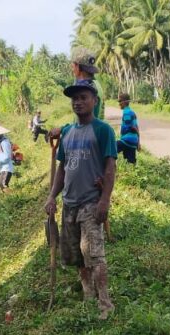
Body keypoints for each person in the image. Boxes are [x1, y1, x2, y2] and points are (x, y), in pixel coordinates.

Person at [45, 80, 118, 320]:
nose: (78, 102)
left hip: (90, 203)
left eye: (83, 97)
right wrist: (52, 196)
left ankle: (105, 303)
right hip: (70, 203)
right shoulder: (68, 132)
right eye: (74, 98)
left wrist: (104, 201)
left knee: (95, 256)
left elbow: (110, 168)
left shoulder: (102, 130)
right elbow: (63, 169)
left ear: (94, 101)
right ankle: (88, 295)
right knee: (77, 254)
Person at [116, 93, 141, 164]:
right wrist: (138, 143)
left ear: (125, 102)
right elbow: (136, 127)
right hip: (133, 142)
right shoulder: (132, 112)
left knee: (111, 148)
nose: (119, 103)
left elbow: (131, 127)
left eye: (120, 101)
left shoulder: (126, 112)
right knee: (130, 162)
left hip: (127, 140)